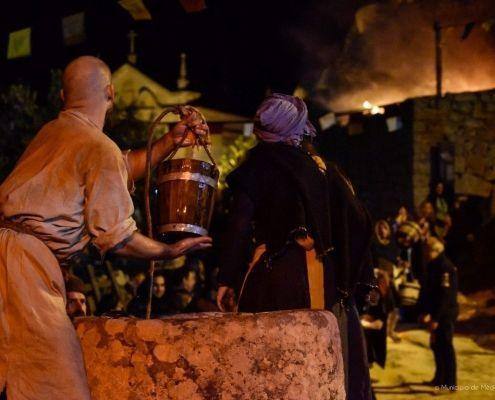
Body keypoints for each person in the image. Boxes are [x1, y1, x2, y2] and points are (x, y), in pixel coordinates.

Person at [0, 56, 212, 400]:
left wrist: (168, 142)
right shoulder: (98, 148)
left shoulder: (52, 133)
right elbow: (119, 239)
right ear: (111, 93)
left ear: (61, 98)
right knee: (57, 387)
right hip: (25, 269)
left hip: (11, 255)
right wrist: (170, 251)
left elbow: (117, 168)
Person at [216, 93, 375, 400]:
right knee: (334, 372)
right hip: (327, 286)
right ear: (300, 126)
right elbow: (359, 221)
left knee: (267, 375)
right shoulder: (324, 169)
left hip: (271, 280)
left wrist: (226, 279)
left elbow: (238, 228)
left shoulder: (255, 168)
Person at [419, 237, 458, 390]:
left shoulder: (445, 267)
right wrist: (424, 312)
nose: (426, 253)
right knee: (436, 345)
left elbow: (445, 296)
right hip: (436, 312)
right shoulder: (433, 265)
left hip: (445, 314)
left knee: (445, 346)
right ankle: (439, 378)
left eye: (428, 250)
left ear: (436, 250)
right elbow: (429, 292)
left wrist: (435, 318)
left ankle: (450, 383)